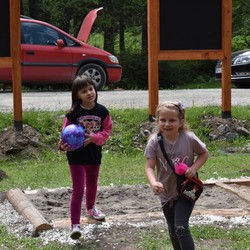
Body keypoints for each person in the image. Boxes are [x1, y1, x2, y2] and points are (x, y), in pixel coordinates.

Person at [144, 101, 209, 250]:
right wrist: (154, 183)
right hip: (165, 192)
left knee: (180, 227)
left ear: (181, 121)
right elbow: (149, 167)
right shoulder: (154, 142)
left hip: (186, 190)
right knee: (173, 229)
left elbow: (204, 154)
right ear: (157, 120)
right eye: (163, 120)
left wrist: (194, 168)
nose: (167, 124)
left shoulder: (189, 138)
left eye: (172, 120)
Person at [58, 75, 112, 240]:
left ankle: (91, 209)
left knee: (93, 184)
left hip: (94, 155)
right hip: (76, 156)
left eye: (91, 89)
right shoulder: (73, 113)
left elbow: (107, 131)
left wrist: (94, 138)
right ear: (77, 95)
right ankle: (75, 224)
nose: (89, 93)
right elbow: (64, 135)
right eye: (84, 91)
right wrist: (61, 146)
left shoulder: (102, 111)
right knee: (78, 189)